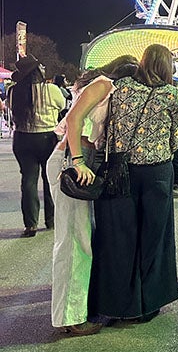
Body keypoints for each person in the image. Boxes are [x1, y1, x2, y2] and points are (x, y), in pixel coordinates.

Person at [87, 44, 178, 323]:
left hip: (121, 170)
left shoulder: (122, 88)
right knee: (154, 237)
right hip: (157, 172)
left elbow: (108, 126)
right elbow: (174, 140)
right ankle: (149, 303)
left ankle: (118, 304)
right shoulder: (171, 95)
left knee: (119, 238)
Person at [48, 55, 139, 336]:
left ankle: (72, 311)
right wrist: (77, 160)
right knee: (75, 241)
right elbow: (74, 119)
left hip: (80, 157)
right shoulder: (103, 85)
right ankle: (70, 318)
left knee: (79, 237)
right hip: (74, 159)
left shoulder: (104, 87)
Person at [8, 55, 66, 237]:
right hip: (47, 137)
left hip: (23, 138)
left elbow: (11, 111)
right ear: (37, 71)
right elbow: (62, 105)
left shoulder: (14, 91)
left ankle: (30, 224)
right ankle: (50, 220)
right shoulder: (51, 90)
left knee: (28, 180)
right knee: (49, 179)